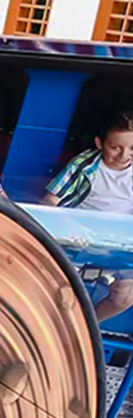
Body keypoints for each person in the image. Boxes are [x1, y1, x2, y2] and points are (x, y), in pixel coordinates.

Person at [43, 113, 133, 320]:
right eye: (115, 147)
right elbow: (49, 202)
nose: (124, 156)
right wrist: (71, 226)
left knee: (125, 297)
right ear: (99, 143)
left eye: (131, 149)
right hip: (79, 237)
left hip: (122, 242)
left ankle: (85, 326)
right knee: (58, 290)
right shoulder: (83, 165)